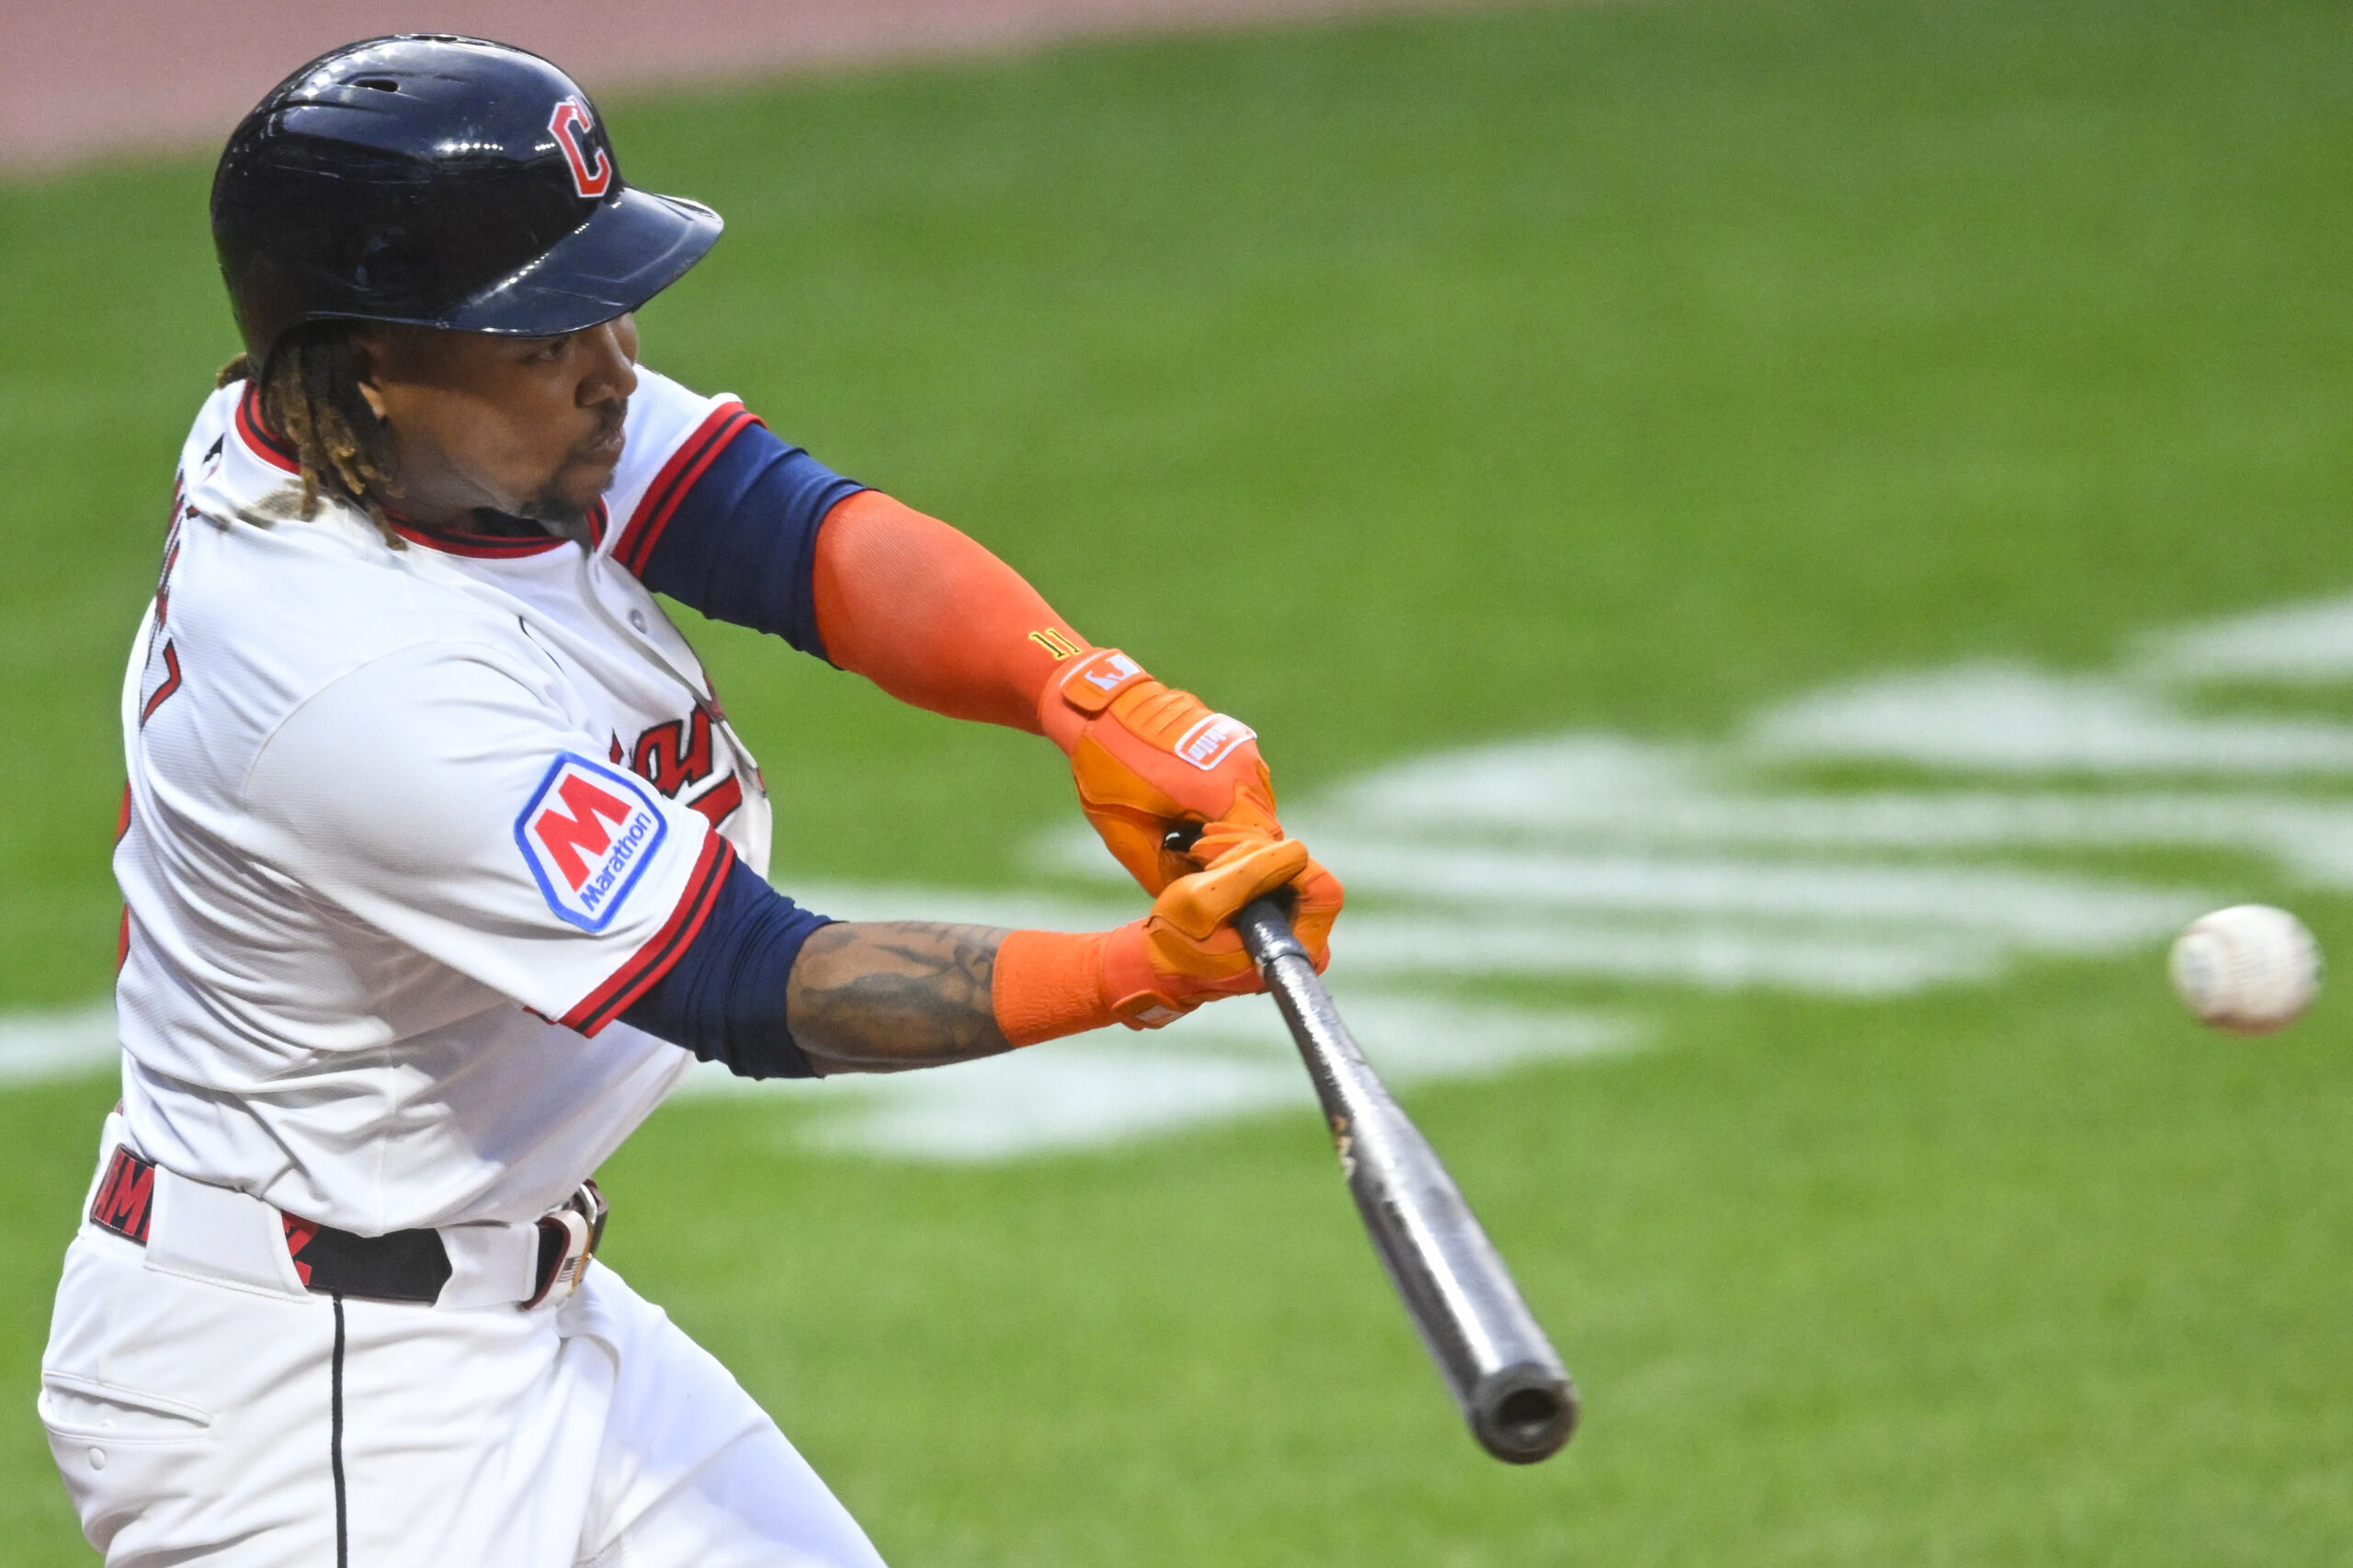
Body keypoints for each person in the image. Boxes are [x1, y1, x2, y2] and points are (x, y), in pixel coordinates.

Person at [41, 34, 1341, 1568]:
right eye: (544, 337)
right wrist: (1144, 969)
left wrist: (1090, 695)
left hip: (512, 1310)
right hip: (317, 1404)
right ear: (371, 359)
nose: (614, 368)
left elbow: (783, 528)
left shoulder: (446, 440)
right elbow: (760, 984)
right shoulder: (350, 675)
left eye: (605, 309)